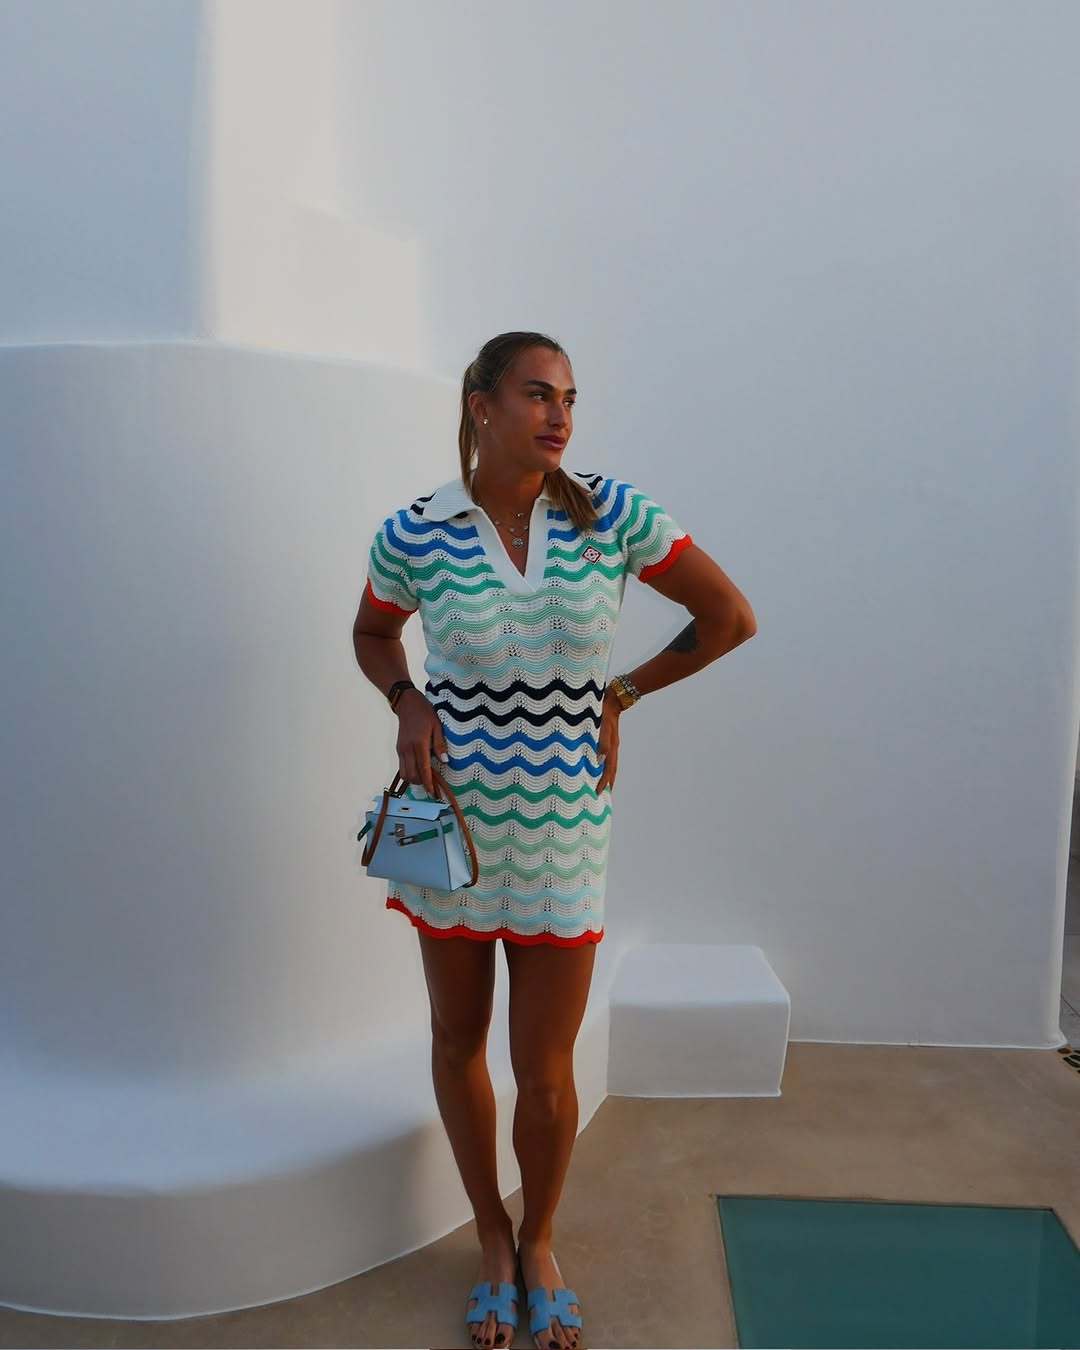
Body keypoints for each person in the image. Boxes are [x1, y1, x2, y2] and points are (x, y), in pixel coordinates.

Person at [352, 331, 756, 1350]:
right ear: (481, 405)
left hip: (564, 831)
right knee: (457, 1040)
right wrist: (406, 698)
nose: (560, 415)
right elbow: (372, 632)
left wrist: (621, 693)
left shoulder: (611, 513)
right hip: (452, 827)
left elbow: (727, 616)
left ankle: (539, 1241)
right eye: (538, 394)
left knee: (546, 1069)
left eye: (570, 397)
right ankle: (490, 1236)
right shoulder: (415, 531)